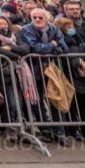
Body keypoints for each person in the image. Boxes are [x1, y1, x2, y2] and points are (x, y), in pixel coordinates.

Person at [20, 8, 70, 146]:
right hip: (34, 68)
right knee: (37, 100)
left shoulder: (54, 29)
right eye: (34, 17)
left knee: (56, 98)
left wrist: (53, 47)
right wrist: (52, 46)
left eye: (40, 18)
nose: (37, 20)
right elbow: (35, 48)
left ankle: (60, 131)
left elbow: (63, 47)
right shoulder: (26, 29)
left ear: (47, 19)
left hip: (52, 68)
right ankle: (45, 130)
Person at [0, 14, 28, 138]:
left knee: (19, 102)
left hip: (18, 72)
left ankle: (19, 126)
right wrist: (16, 55)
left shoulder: (14, 35)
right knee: (11, 102)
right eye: (0, 23)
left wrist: (10, 47)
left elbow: (25, 48)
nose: (3, 25)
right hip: (4, 72)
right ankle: (10, 128)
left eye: (4, 23)